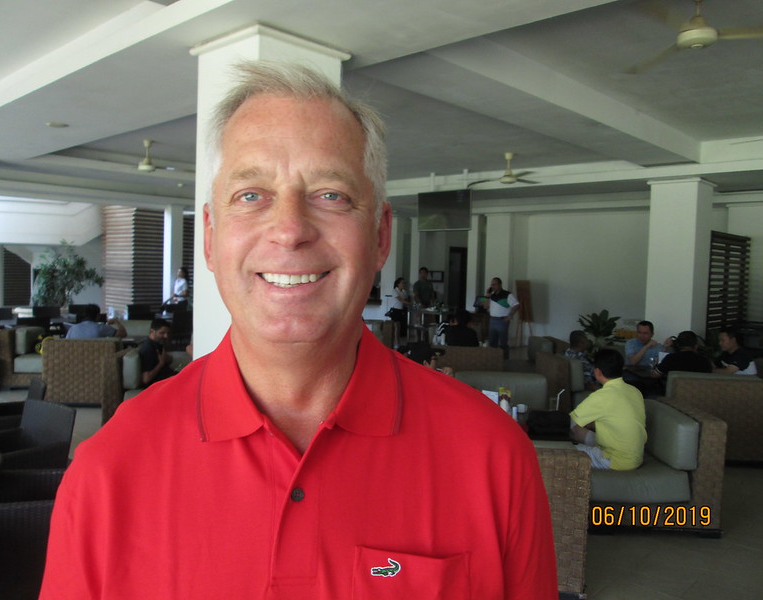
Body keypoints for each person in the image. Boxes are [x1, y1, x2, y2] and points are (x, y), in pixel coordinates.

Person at [41, 61, 557, 599]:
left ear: (380, 236)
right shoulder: (110, 468)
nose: (289, 230)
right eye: (251, 195)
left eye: (331, 195)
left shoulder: (493, 456)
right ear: (211, 239)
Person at [570, 348, 646, 470]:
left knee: (563, 449)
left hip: (616, 461)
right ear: (622, 369)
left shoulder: (601, 396)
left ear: (597, 372)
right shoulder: (635, 391)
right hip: (634, 457)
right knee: (581, 432)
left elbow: (570, 424)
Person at [483, 277, 519, 359]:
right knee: (492, 342)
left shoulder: (508, 294)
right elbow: (485, 306)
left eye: (494, 284)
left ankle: (505, 359)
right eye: (492, 285)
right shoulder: (491, 296)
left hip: (502, 320)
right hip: (492, 320)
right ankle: (493, 359)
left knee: (503, 343)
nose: (493, 286)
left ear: (500, 284)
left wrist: (510, 316)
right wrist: (487, 296)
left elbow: (517, 305)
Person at [137, 318, 176, 387]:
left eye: (167, 333)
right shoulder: (148, 349)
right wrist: (161, 364)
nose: (166, 336)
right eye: (162, 333)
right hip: (160, 384)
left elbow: (168, 359)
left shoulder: (157, 343)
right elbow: (146, 379)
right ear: (152, 331)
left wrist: (166, 359)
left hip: (168, 377)